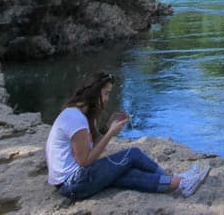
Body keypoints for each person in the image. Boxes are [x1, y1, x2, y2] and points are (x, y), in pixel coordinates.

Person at [46, 71, 210, 200]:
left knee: (126, 172)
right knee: (131, 155)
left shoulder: (82, 115)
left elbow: (91, 146)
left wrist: (106, 129)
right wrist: (111, 134)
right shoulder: (75, 119)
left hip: (72, 183)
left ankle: (178, 183)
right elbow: (85, 161)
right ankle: (179, 181)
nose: (108, 98)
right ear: (94, 93)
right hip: (73, 183)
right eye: (106, 93)